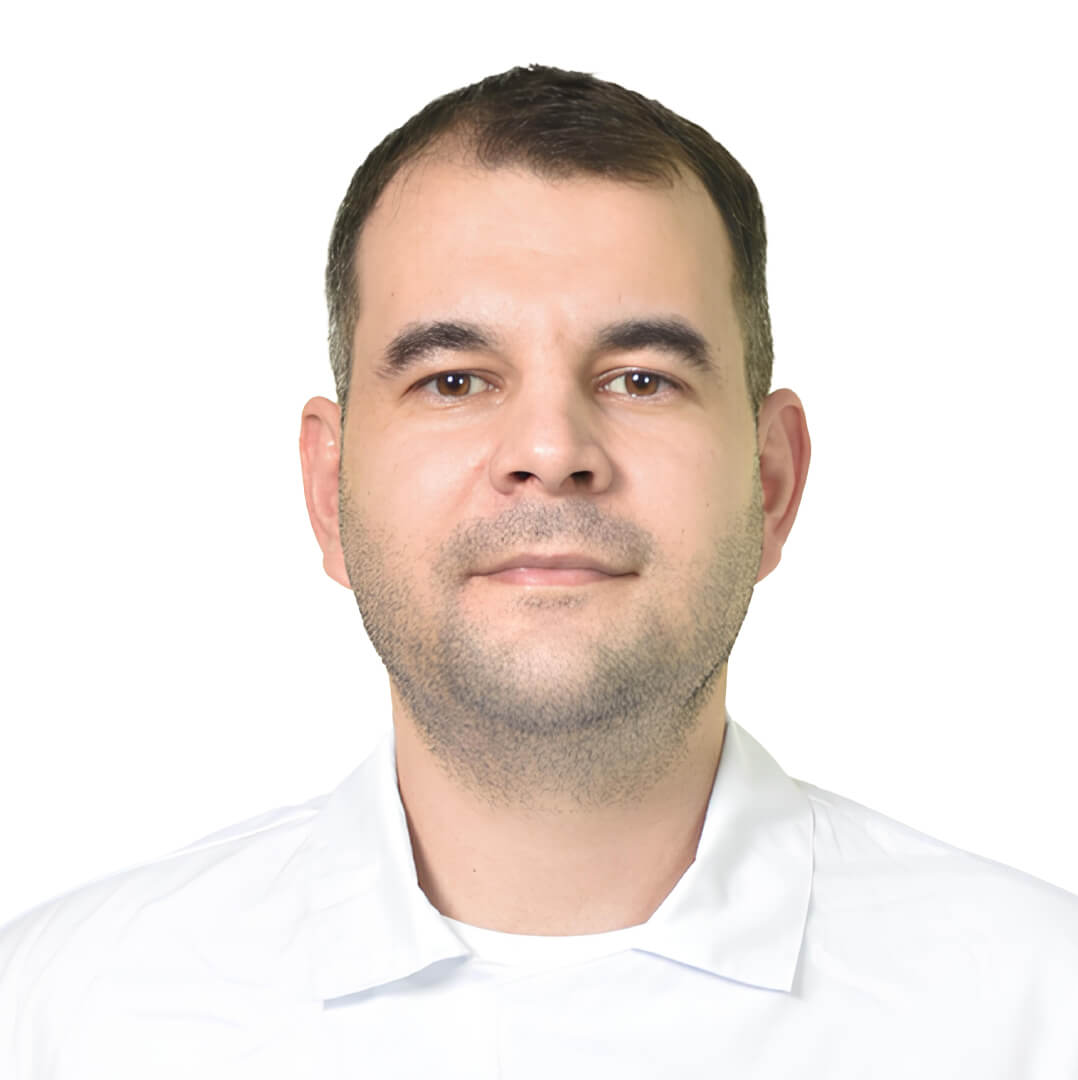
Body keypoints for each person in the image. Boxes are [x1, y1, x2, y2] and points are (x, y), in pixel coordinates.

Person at [2, 63, 1076, 1079]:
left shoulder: (1038, 1013)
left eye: (641, 378)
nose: (551, 449)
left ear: (771, 482)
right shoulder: (60, 1021)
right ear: (330, 491)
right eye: (455, 379)